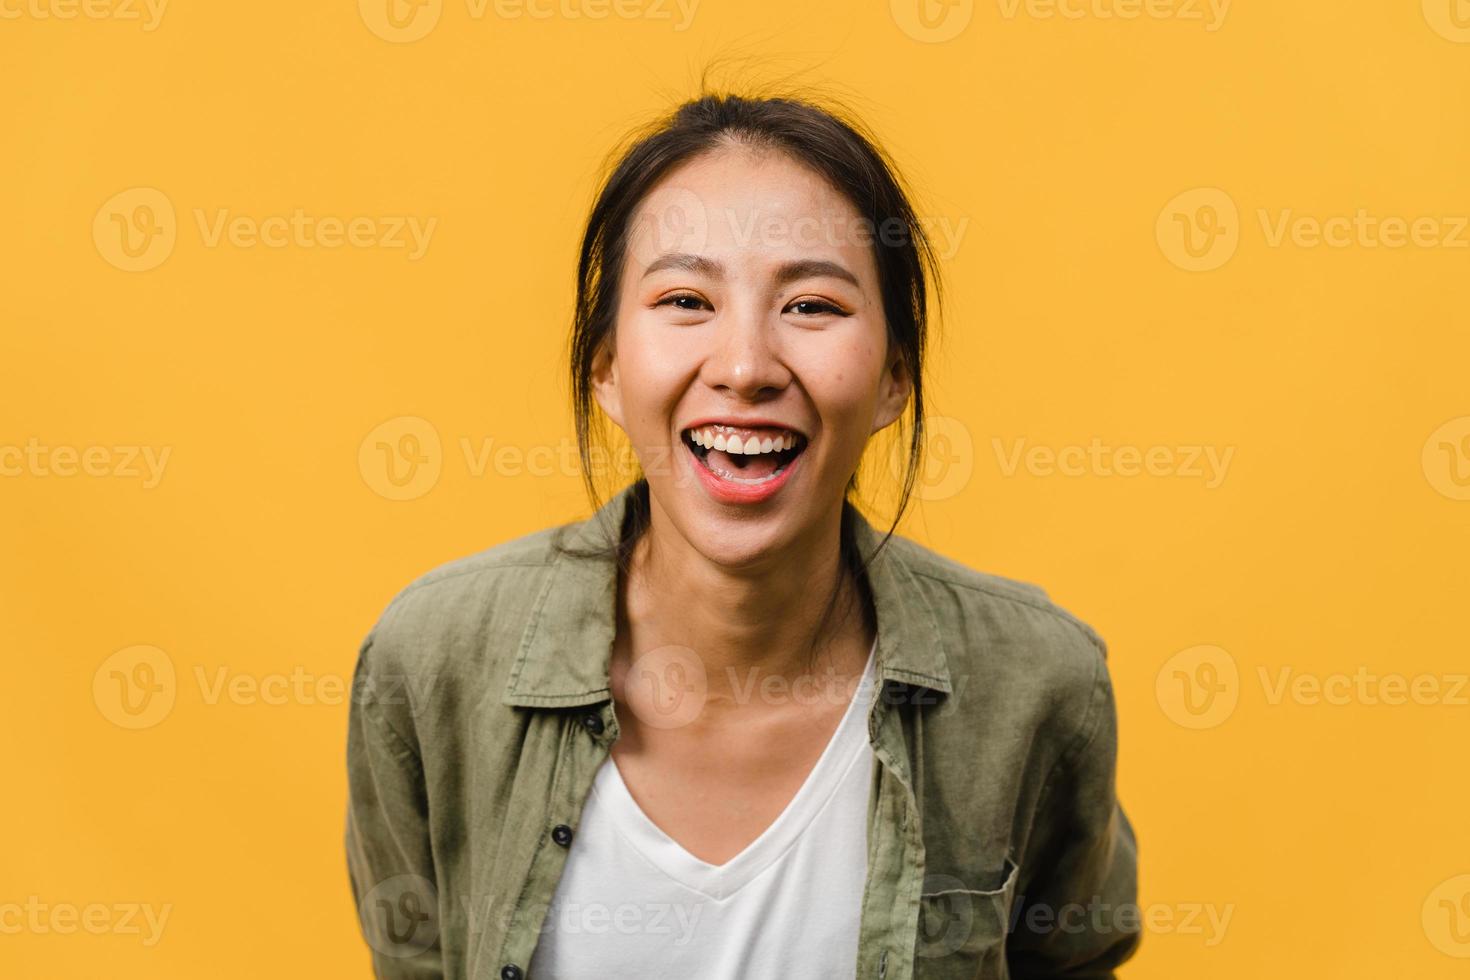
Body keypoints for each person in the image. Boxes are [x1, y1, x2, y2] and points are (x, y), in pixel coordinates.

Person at [345, 90, 1140, 980]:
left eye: (811, 306)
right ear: (606, 367)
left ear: (892, 380)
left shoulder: (1037, 680)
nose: (744, 368)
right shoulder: (433, 660)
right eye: (686, 299)